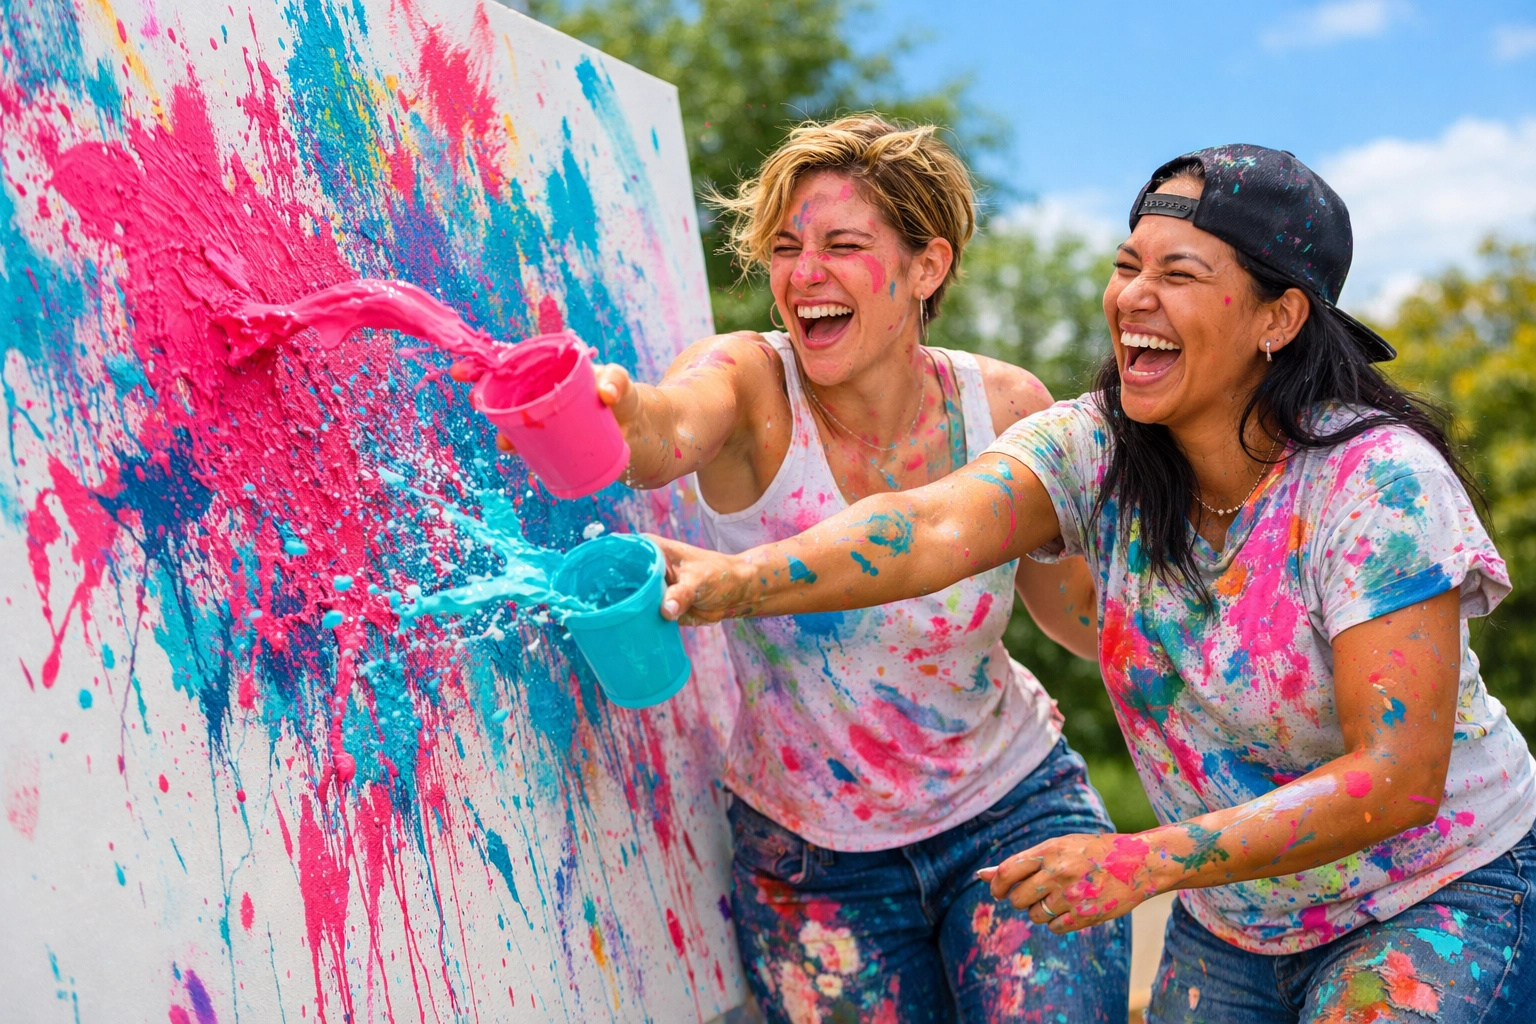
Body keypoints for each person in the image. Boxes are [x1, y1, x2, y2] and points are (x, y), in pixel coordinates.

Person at [656, 144, 1536, 1023]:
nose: (1135, 296)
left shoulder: (1377, 484)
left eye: (1179, 272)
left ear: (1280, 317)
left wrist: (1147, 860)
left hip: (1438, 891)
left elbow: (1398, 777)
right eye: (1127, 266)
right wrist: (737, 579)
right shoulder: (1092, 448)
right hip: (1239, 920)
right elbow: (927, 527)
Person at [469, 115, 1130, 1021]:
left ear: (926, 267)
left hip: (1013, 806)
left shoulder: (1007, 405)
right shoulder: (748, 381)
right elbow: (666, 429)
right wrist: (612, 414)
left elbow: (1075, 612)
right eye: (786, 247)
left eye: (843, 244)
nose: (804, 272)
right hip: (814, 861)